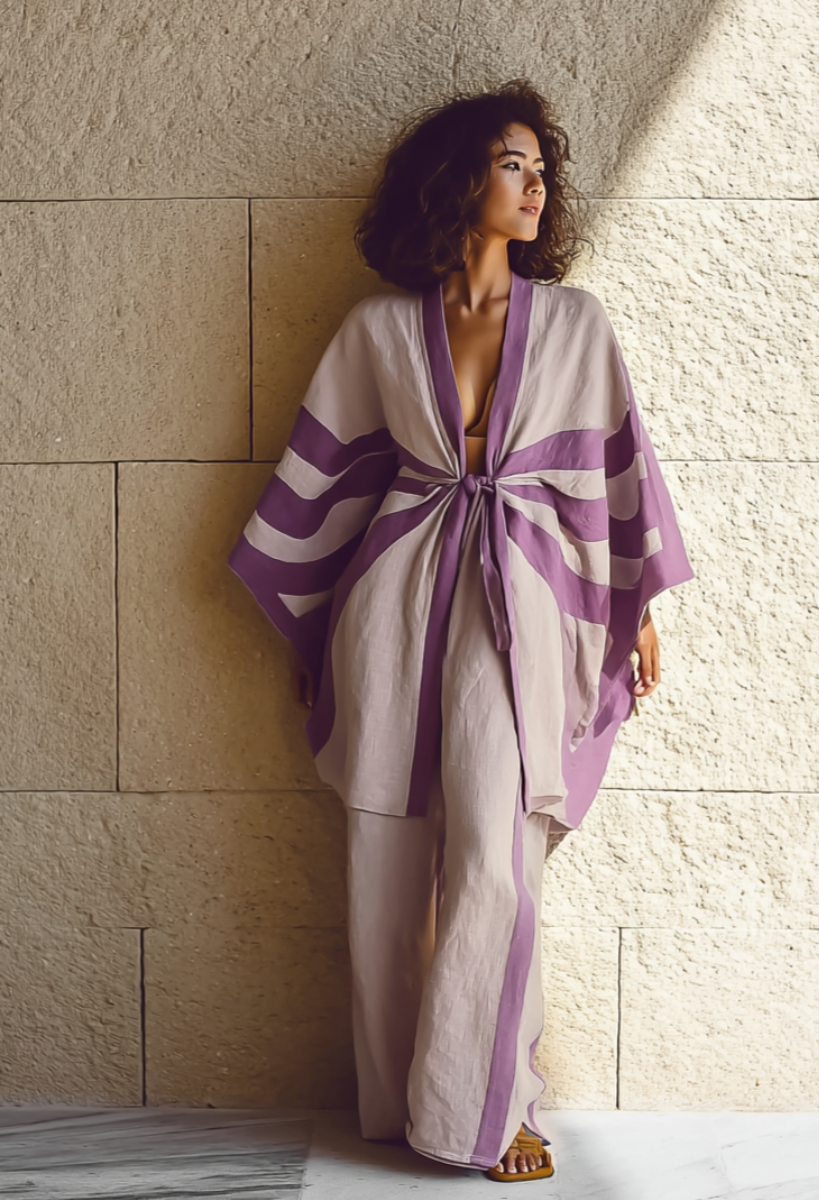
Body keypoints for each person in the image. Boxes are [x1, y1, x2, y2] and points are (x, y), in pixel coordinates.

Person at [229, 79, 695, 1182]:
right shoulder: (378, 328)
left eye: (542, 169)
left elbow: (609, 482)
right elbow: (329, 486)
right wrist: (313, 639)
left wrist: (634, 606)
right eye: (510, 164)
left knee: (496, 851)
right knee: (386, 853)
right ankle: (403, 1103)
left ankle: (489, 1104)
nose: (534, 187)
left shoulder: (576, 324)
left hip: (520, 605)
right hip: (393, 600)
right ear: (457, 181)